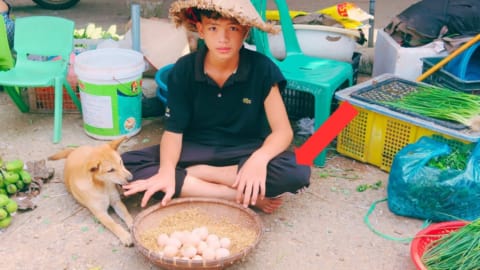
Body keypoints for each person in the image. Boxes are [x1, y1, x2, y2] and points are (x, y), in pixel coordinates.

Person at [121, 0, 311, 214]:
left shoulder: (262, 68)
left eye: (232, 28)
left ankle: (198, 176)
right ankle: (238, 196)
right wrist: (166, 171)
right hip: (193, 148)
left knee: (297, 171)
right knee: (125, 166)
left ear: (245, 31)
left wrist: (258, 160)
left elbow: (283, 131)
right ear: (200, 29)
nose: (223, 39)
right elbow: (174, 133)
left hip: (245, 150)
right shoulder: (184, 70)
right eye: (213, 28)